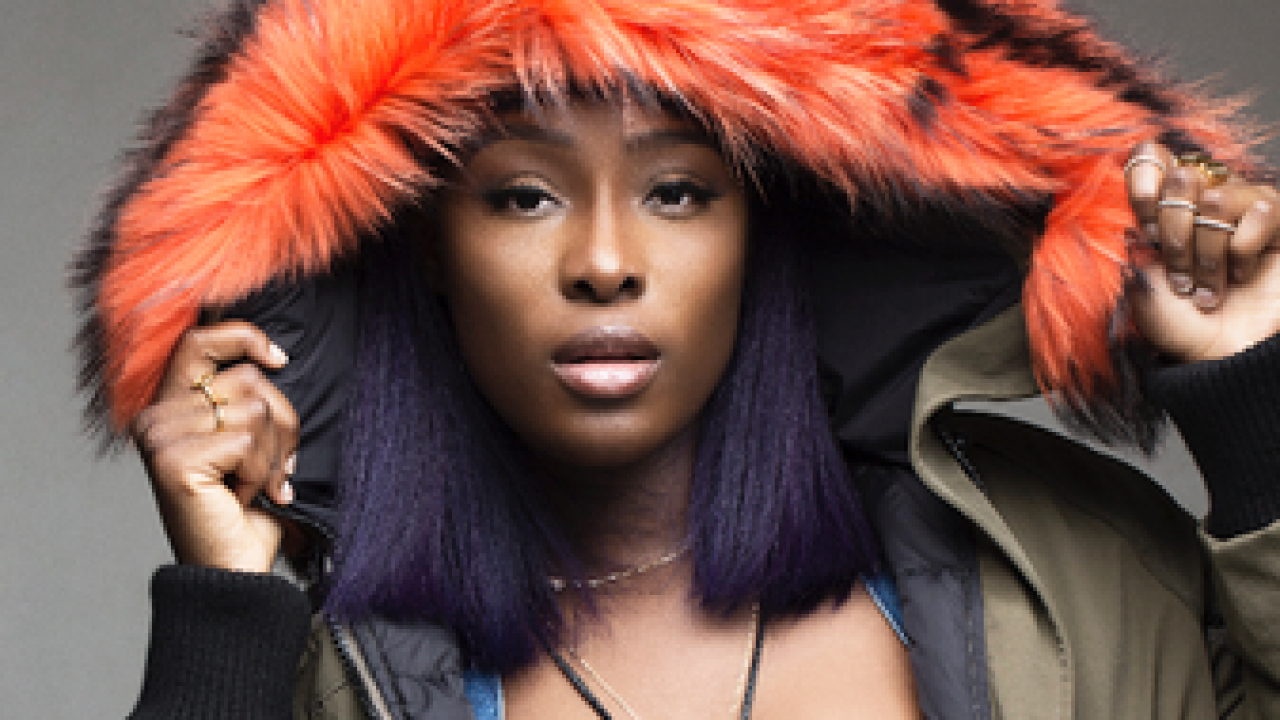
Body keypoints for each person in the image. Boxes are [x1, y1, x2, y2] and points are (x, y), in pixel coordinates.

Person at [73, 0, 1280, 717]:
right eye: (523, 196)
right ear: (429, 247)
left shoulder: (1067, 575)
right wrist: (226, 610)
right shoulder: (328, 679)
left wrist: (1248, 396)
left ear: (761, 230)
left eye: (677, 191)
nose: (605, 262)